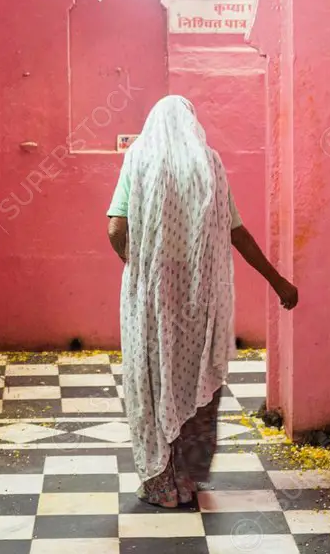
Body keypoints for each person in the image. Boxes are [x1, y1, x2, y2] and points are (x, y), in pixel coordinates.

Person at [106, 95, 299, 508]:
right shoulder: (208, 163)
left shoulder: (139, 158)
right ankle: (189, 479)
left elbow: (115, 227)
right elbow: (237, 232)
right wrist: (278, 281)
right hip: (198, 297)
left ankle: (161, 481)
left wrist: (138, 265)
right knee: (194, 382)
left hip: (154, 297)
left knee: (153, 378)